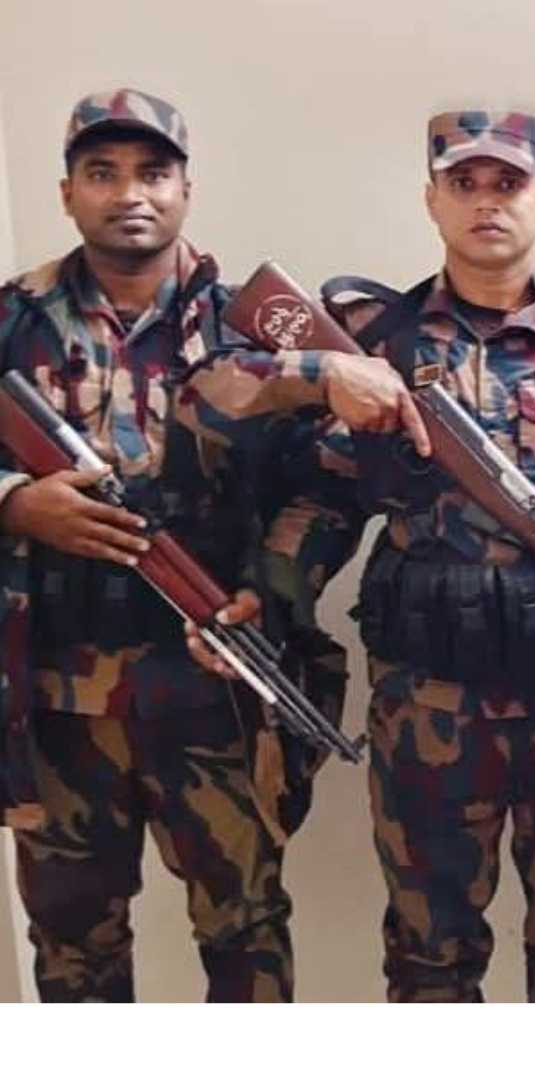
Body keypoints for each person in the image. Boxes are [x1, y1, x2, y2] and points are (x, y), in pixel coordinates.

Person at [185, 108, 535, 1002]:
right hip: (428, 707)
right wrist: (267, 598)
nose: (486, 202)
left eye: (508, 184)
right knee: (430, 958)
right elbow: (327, 498)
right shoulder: (377, 346)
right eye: (464, 183)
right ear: (432, 200)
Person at [0, 88, 354, 1002]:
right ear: (67, 192)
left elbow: (328, 484)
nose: (130, 193)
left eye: (152, 173)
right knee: (72, 947)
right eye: (102, 172)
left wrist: (269, 589)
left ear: (186, 189)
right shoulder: (11, 320)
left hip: (214, 687)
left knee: (245, 933)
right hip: (59, 696)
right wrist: (16, 503)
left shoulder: (257, 328)